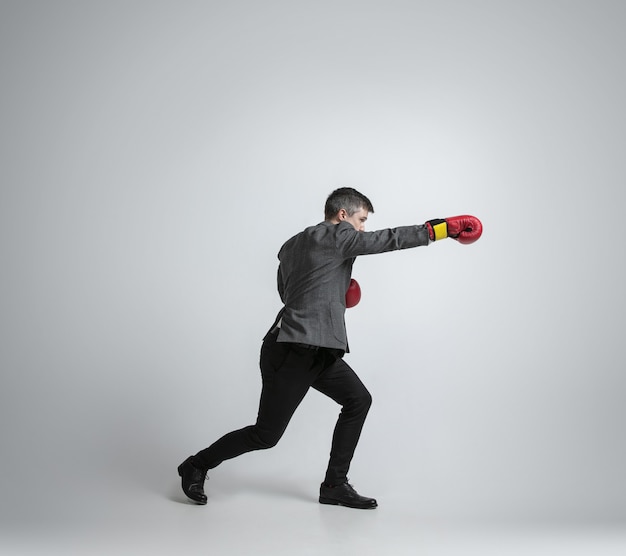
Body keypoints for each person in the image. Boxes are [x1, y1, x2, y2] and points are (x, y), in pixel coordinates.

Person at [177, 187, 482, 509]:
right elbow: (385, 240)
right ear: (342, 216)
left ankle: (335, 485)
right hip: (293, 349)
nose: (363, 227)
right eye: (361, 219)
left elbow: (288, 293)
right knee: (265, 435)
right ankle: (196, 465)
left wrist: (334, 295)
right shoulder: (336, 236)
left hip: (317, 348)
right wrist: (441, 229)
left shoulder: (294, 245)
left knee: (358, 400)